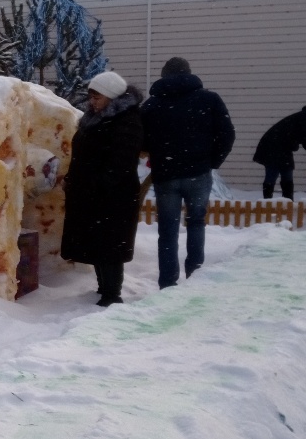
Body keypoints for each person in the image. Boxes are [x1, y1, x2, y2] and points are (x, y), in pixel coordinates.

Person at [140, 56, 235, 290]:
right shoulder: (209, 100)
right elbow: (227, 134)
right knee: (196, 223)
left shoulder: (152, 105)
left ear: (164, 76)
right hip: (198, 173)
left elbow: (140, 140)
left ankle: (167, 282)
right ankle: (194, 275)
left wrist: (159, 154)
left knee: (168, 230)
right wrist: (212, 161)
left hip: (166, 174)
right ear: (189, 73)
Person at [61, 71, 144, 307]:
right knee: (96, 240)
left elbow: (121, 161)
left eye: (97, 97)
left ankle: (112, 294)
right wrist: (73, 179)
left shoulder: (126, 121)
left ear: (110, 96)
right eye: (91, 97)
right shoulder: (95, 118)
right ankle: (102, 287)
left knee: (111, 244)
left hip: (113, 195)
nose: (92, 101)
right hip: (91, 192)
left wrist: (99, 184)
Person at [252, 105, 306, 198]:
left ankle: (288, 204)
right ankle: (267, 204)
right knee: (273, 174)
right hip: (271, 146)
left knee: (287, 172)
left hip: (283, 147)